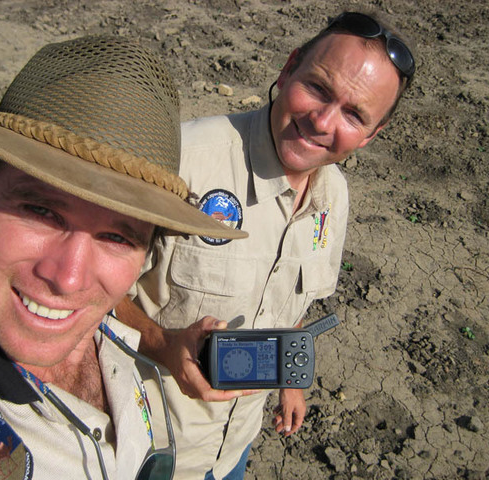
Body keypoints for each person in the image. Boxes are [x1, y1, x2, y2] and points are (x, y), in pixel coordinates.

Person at [0, 35, 246, 480]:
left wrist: (164, 344)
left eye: (116, 237)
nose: (68, 279)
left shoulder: (106, 328)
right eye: (40, 211)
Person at [116, 10, 417, 480]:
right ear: (289, 66)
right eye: (318, 88)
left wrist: (288, 382)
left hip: (235, 447)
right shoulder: (182, 162)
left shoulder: (333, 195)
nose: (322, 121)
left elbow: (291, 299)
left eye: (354, 115)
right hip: (147, 446)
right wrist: (162, 342)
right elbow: (86, 290)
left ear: (372, 135)